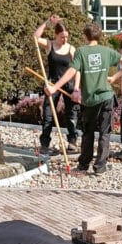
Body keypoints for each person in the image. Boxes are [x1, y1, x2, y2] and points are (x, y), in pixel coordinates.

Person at [46, 23, 122, 175]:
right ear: (98, 36)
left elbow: (71, 71)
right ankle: (100, 167)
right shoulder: (107, 51)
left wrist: (54, 87)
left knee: (88, 132)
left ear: (85, 36)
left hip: (90, 100)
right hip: (107, 97)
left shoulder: (81, 52)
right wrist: (115, 77)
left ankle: (84, 164)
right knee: (105, 133)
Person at [33, 15, 80, 155]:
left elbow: (77, 70)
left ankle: (72, 142)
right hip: (52, 83)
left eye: (66, 37)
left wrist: (77, 88)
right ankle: (45, 144)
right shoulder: (49, 45)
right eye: (61, 37)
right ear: (56, 35)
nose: (64, 40)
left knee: (72, 114)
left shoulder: (71, 49)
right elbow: (35, 37)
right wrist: (47, 23)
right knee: (48, 113)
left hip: (69, 84)